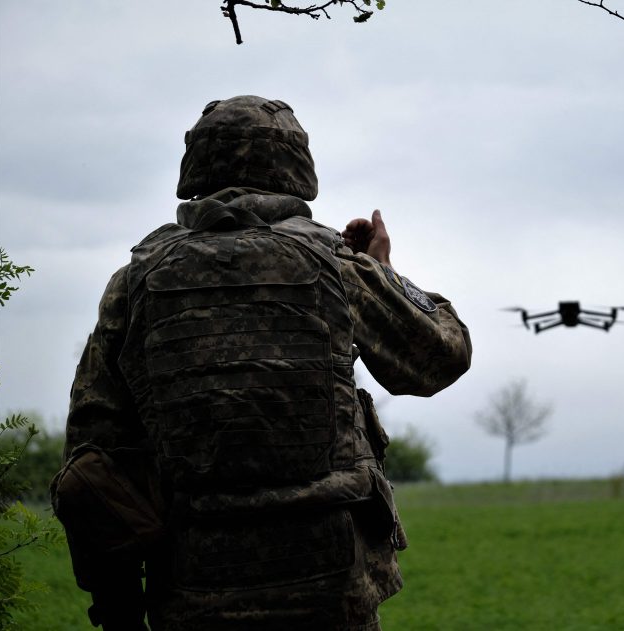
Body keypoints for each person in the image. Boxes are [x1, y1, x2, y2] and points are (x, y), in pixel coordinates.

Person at [51, 95, 472, 630]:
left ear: (196, 167)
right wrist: (383, 271)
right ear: (296, 167)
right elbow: (443, 356)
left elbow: (92, 454)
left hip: (192, 585)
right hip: (330, 586)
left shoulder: (135, 282)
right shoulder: (335, 263)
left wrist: (118, 610)